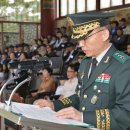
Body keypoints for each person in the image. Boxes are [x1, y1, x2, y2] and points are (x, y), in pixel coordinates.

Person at [34, 12, 130, 130]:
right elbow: (80, 97)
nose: (80, 44)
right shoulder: (86, 62)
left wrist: (83, 117)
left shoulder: (124, 66)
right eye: (79, 40)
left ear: (104, 35)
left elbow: (125, 114)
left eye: (85, 38)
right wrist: (54, 105)